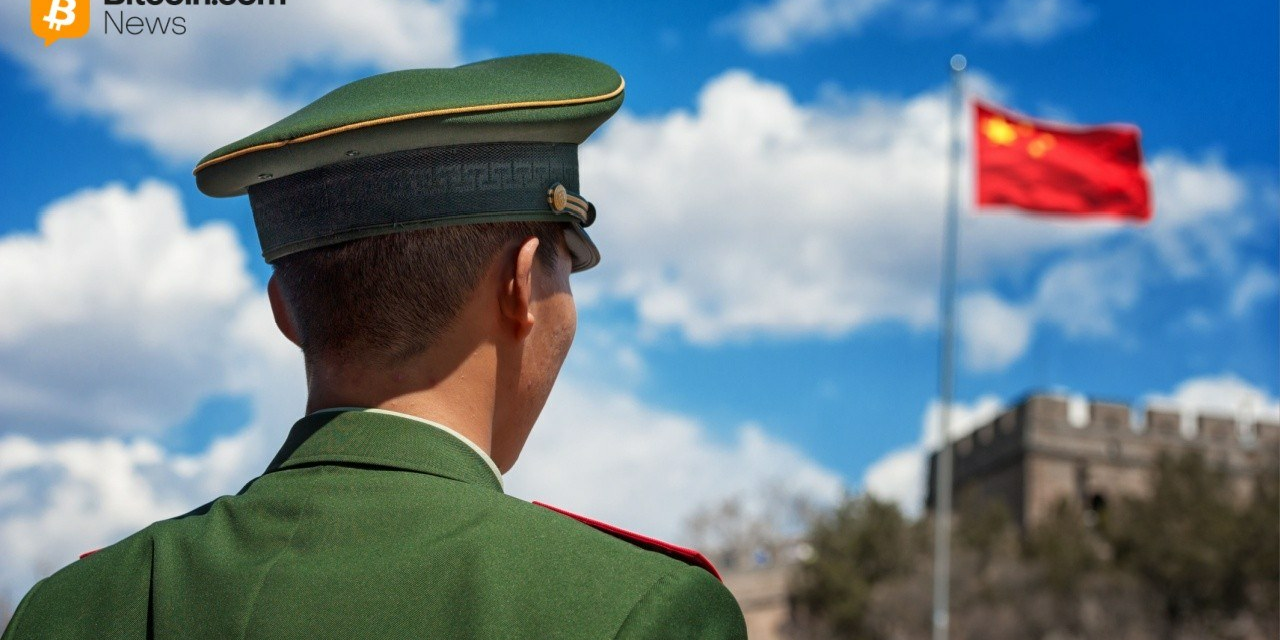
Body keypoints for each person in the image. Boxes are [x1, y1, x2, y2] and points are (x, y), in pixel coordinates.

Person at [2, 53, 747, 639]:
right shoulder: (639, 610)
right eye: (569, 265)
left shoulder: (78, 608)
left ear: (285, 313)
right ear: (521, 284)